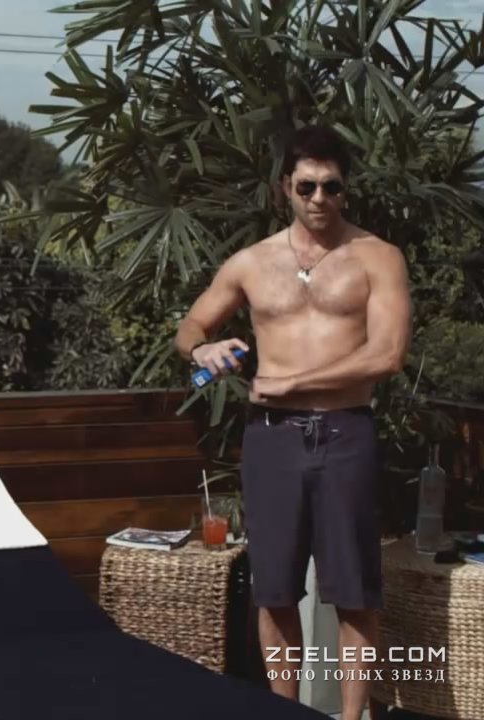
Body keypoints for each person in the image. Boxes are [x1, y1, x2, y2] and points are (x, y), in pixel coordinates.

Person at [174, 125, 410, 720]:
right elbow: (191, 326)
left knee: (354, 593)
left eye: (332, 186)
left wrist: (294, 382)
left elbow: (387, 355)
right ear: (286, 187)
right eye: (307, 186)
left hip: (345, 432)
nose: (319, 198)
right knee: (274, 590)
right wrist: (201, 348)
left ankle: (352, 719)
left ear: (346, 189)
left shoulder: (377, 257)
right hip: (272, 440)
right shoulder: (252, 263)